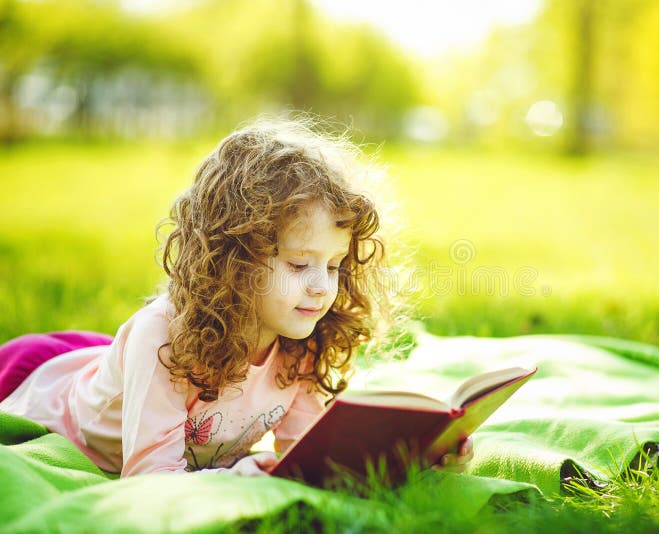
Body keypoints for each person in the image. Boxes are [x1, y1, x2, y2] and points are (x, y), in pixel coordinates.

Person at [0, 118, 473, 477]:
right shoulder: (162, 338)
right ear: (234, 259)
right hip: (40, 384)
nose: (321, 286)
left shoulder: (301, 340)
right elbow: (149, 478)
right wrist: (238, 479)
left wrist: (419, 462)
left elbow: (310, 462)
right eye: (298, 264)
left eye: (333, 266)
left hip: (106, 362)